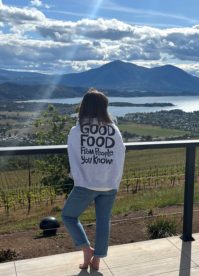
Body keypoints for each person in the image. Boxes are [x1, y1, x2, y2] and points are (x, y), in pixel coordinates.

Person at [62, 88, 126, 271]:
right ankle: (97, 260)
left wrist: (78, 176)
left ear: (84, 107)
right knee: (103, 221)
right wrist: (114, 181)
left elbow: (73, 156)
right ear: (104, 108)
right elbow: (120, 155)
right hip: (109, 184)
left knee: (68, 215)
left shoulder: (77, 130)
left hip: (86, 184)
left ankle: (85, 248)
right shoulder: (114, 130)